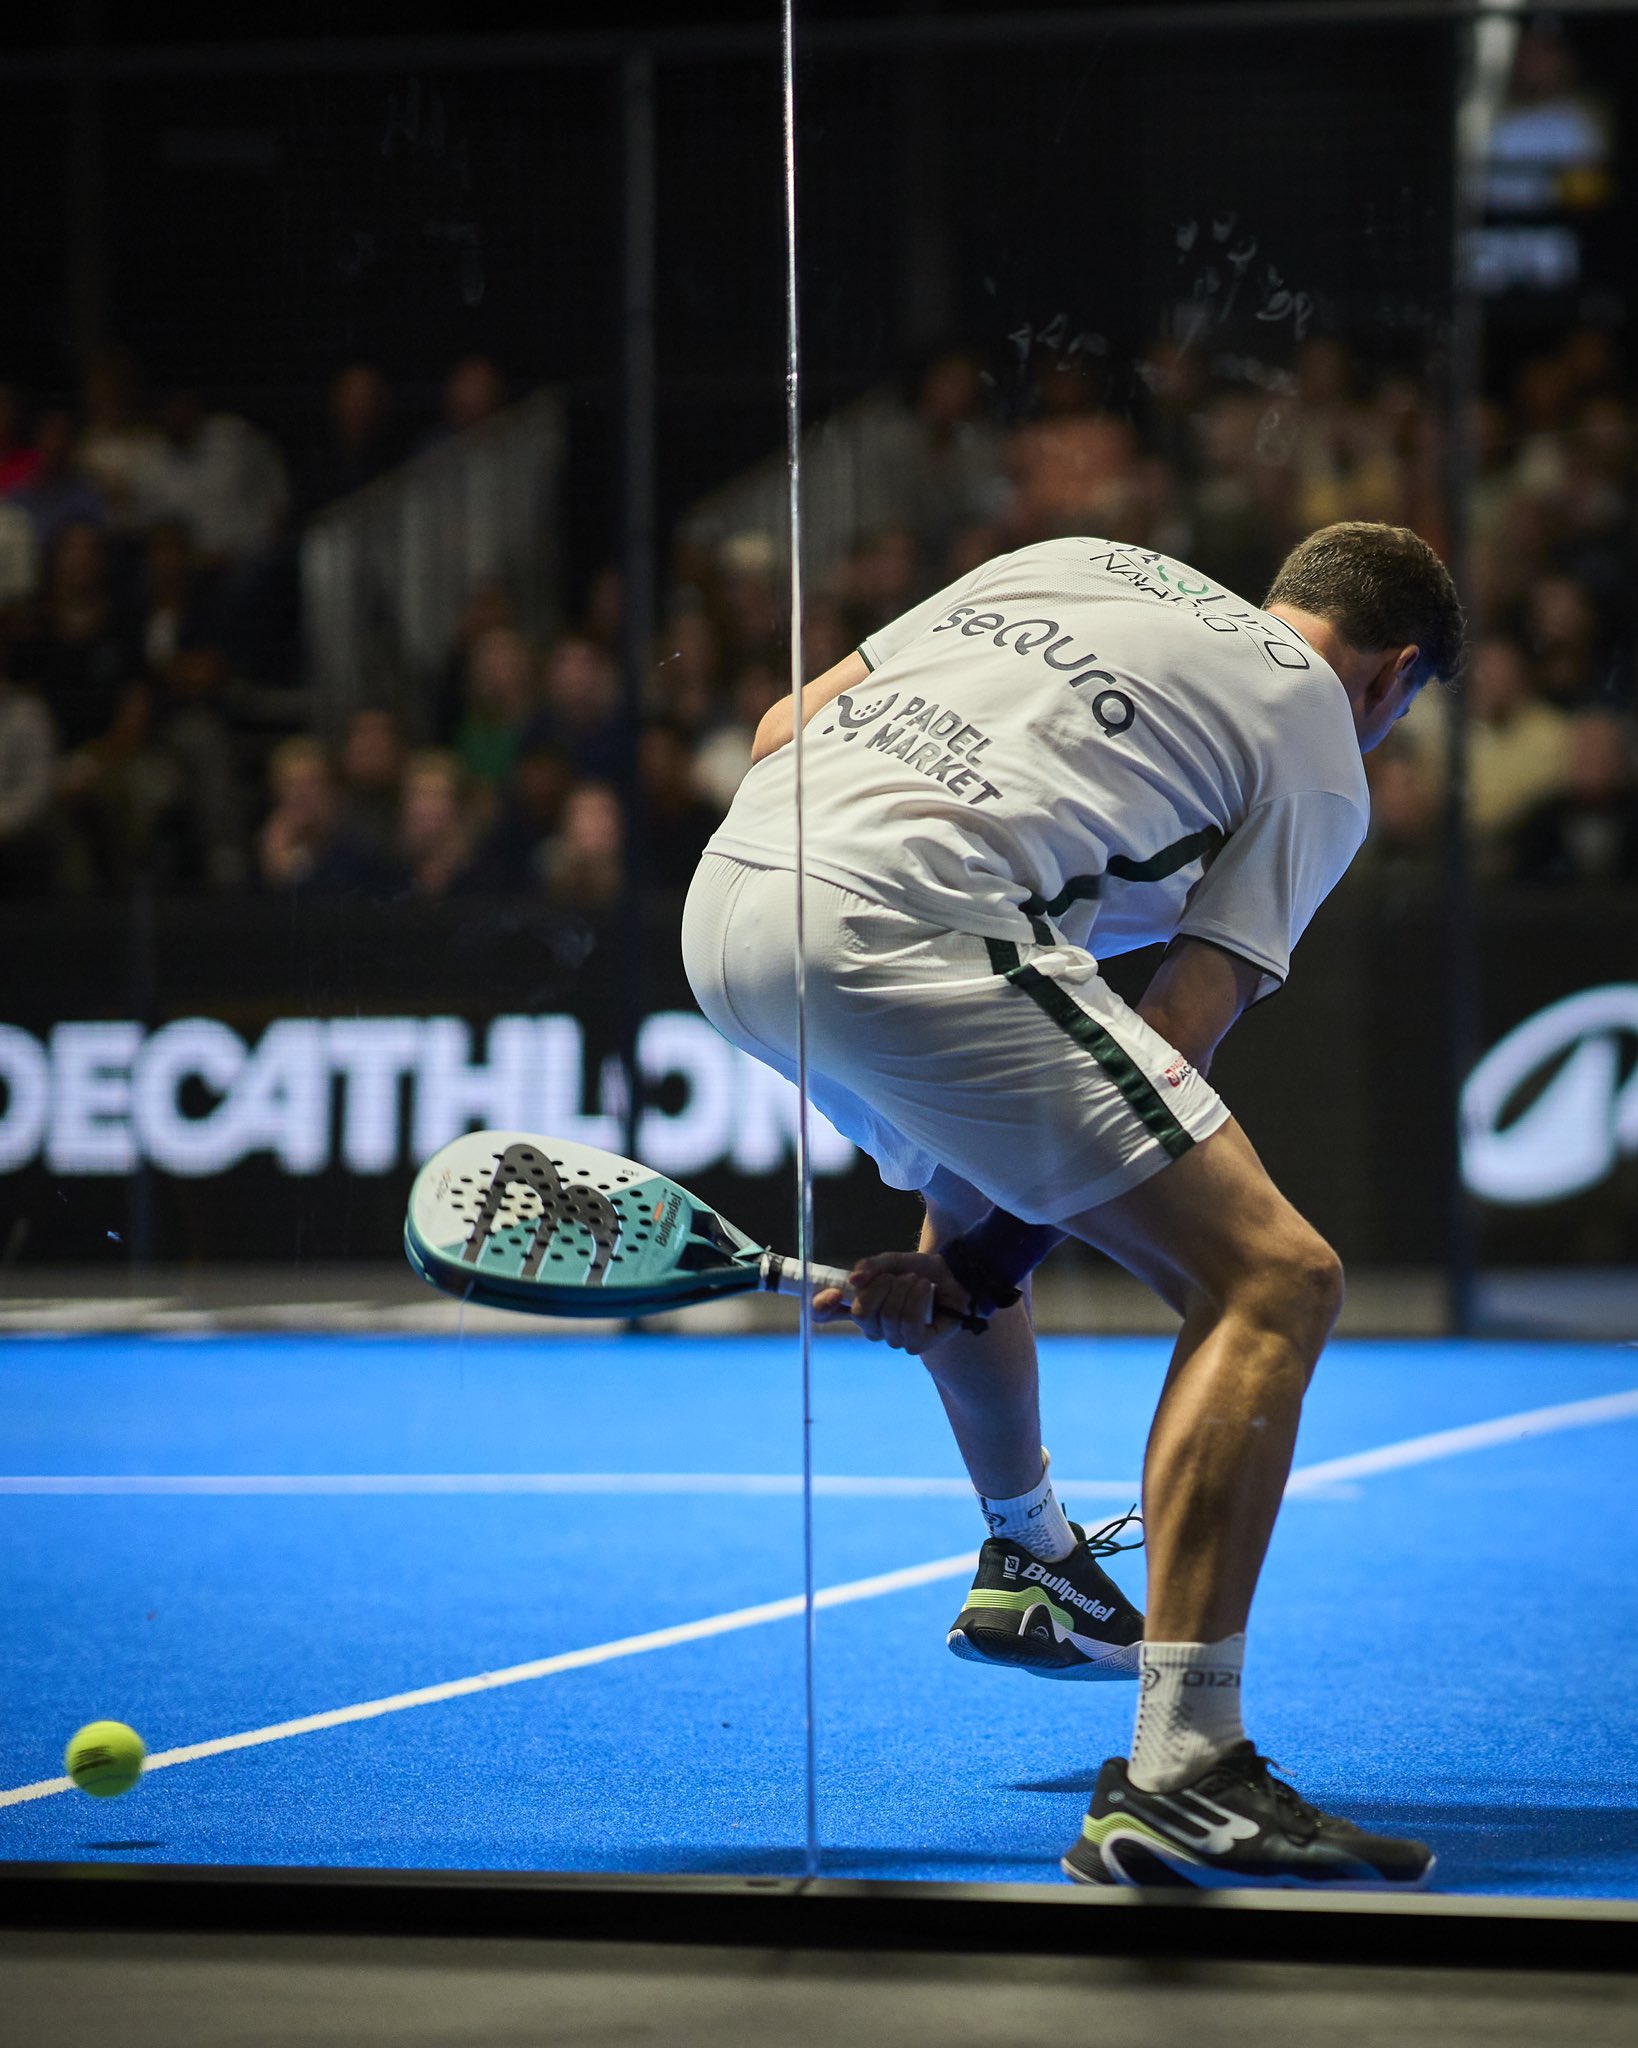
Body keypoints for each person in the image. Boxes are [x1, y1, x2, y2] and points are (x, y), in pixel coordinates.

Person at [682, 520, 1465, 1891]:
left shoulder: (1073, 560)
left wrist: (973, 1247)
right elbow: (1181, 1020)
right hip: (907, 921)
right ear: (1392, 676)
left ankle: (1032, 1550)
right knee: (1273, 1280)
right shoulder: (1318, 747)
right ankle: (1185, 1768)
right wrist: (979, 1267)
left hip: (735, 896)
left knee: (979, 1162)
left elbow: (776, 727)